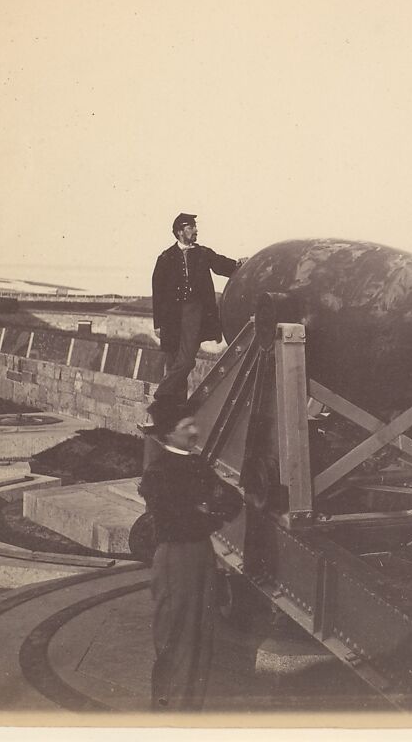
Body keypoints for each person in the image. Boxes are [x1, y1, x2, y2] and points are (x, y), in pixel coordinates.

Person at [137, 398, 244, 711]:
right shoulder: (158, 473)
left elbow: (233, 501)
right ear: (169, 434)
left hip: (200, 554)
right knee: (175, 639)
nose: (195, 431)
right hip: (176, 559)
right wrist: (208, 511)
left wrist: (204, 510)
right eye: (187, 427)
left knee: (201, 637)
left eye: (193, 424)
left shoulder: (197, 465)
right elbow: (175, 522)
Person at [151, 213, 245, 403]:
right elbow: (158, 292)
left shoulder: (203, 253)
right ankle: (174, 410)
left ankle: (162, 394)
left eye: (194, 227)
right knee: (174, 361)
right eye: (191, 227)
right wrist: (158, 323)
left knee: (185, 361)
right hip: (172, 316)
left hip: (195, 313)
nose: (195, 230)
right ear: (179, 232)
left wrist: (239, 264)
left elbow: (222, 265)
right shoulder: (165, 257)